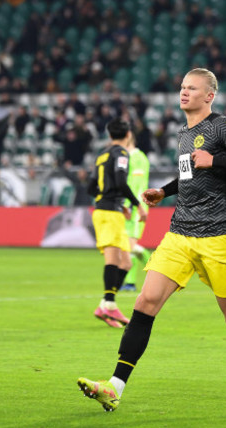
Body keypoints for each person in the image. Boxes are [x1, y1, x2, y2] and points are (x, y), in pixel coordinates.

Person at [77, 68, 226, 411]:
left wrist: (217, 159)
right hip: (179, 234)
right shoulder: (184, 133)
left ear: (210, 96)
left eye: (192, 88)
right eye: (182, 87)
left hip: (218, 237)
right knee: (145, 304)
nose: (184, 92)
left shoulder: (223, 126)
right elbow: (190, 172)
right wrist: (165, 190)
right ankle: (114, 386)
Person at [87, 118, 148, 328]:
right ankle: (110, 305)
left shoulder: (101, 155)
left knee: (126, 263)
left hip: (106, 210)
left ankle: (105, 304)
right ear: (128, 134)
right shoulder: (122, 154)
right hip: (109, 213)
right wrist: (136, 204)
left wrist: (111, 200)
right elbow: (121, 182)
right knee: (113, 261)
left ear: (109, 134)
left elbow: (91, 187)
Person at [120, 134, 151, 292]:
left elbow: (137, 185)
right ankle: (129, 282)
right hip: (129, 206)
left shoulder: (138, 158)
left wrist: (131, 205)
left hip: (135, 208)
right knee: (127, 246)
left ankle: (153, 267)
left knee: (130, 246)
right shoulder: (129, 158)